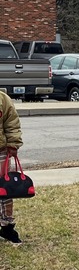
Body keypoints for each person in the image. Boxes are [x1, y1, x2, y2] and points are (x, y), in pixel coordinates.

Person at [0, 92, 23, 245]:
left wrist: (13, 144)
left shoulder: (2, 98)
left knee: (4, 190)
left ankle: (6, 227)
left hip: (1, 151)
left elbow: (12, 122)